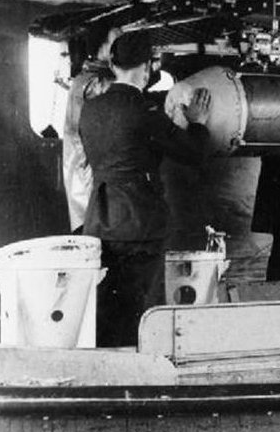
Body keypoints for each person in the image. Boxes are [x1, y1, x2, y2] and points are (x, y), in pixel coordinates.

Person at [79, 31, 212, 346]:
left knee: (107, 306)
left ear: (113, 63)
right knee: (135, 309)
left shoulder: (91, 109)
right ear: (150, 65)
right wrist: (198, 123)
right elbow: (193, 154)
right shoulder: (145, 112)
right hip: (140, 223)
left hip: (100, 220)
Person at [61, 26, 120, 233]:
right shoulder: (97, 83)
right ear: (99, 47)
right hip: (90, 181)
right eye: (114, 42)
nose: (119, 48)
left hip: (80, 176)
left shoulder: (83, 79)